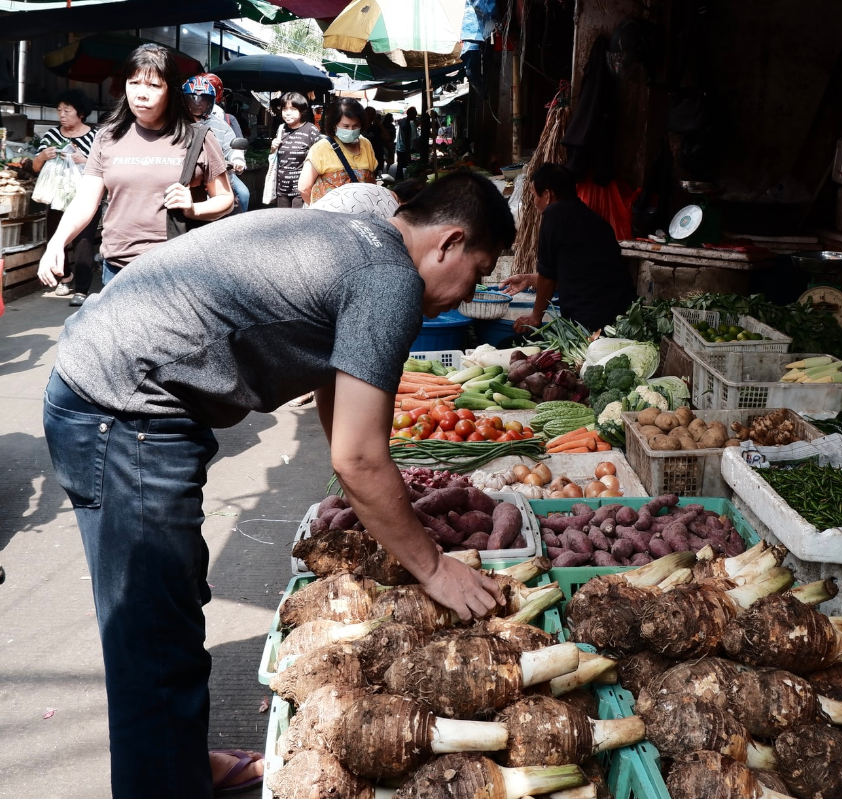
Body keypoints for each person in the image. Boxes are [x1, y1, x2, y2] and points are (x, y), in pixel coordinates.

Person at [41, 170, 513, 798]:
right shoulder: (390, 278)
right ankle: (163, 782)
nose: (463, 297)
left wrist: (370, 497)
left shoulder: (358, 234)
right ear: (449, 242)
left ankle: (174, 762)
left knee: (169, 611)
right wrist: (432, 568)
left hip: (115, 386)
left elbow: (335, 394)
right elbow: (359, 459)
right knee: (153, 639)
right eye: (477, 275)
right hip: (121, 408)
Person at [36, 44, 232, 291]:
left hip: (177, 270)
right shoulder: (107, 137)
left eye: (153, 85)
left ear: (170, 90)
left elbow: (225, 198)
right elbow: (85, 201)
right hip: (117, 270)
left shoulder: (198, 137)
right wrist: (57, 242)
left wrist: (193, 207)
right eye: (134, 82)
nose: (141, 93)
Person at [507, 163, 635, 333]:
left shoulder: (554, 216)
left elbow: (549, 276)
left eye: (533, 195)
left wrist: (535, 317)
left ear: (547, 195)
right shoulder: (594, 220)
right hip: (620, 316)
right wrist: (530, 279)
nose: (534, 202)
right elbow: (579, 273)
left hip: (588, 322)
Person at [31, 88, 99, 305]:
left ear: (80, 113)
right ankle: (65, 276)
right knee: (55, 237)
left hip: (86, 196)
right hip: (57, 197)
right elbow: (35, 166)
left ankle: (81, 288)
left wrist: (84, 160)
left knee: (84, 240)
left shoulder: (96, 136)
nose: (61, 114)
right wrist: (42, 155)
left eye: (67, 110)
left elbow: (105, 166)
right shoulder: (51, 135)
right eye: (59, 110)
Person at [181, 74, 249, 215]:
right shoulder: (175, 125)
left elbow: (232, 147)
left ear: (210, 102)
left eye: (203, 99)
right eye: (193, 98)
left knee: (241, 198)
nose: (198, 102)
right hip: (184, 183)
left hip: (218, 180)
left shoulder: (220, 125)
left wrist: (237, 159)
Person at [299, 98, 377, 205]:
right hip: (328, 218)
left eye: (355, 126)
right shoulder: (321, 148)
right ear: (334, 125)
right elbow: (304, 188)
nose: (351, 130)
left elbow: (371, 180)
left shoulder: (366, 144)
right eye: (346, 126)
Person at [269, 92, 321, 209]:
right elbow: (276, 157)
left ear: (302, 111)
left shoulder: (311, 130)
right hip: (281, 190)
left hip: (301, 190)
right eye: (284, 109)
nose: (287, 113)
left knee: (298, 223)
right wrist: (273, 149)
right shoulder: (281, 129)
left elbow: (319, 159)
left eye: (292, 109)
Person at [395, 106, 418, 178]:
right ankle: (400, 181)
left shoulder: (403, 121)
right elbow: (406, 140)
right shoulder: (406, 125)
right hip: (403, 149)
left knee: (400, 166)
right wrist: (408, 152)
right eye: (414, 115)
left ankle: (398, 180)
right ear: (411, 114)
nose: (415, 116)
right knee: (404, 167)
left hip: (400, 148)